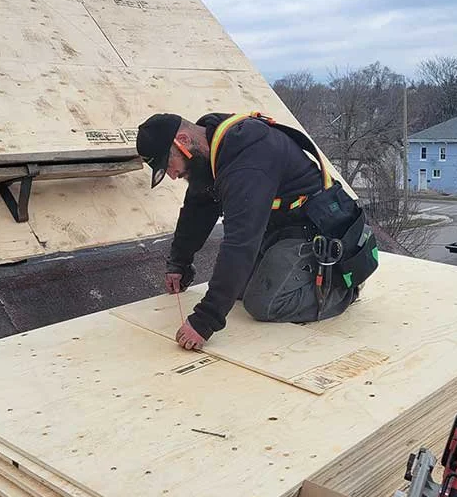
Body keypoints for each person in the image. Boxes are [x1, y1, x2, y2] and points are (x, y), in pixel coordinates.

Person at [135, 111, 379, 350]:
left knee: (262, 303)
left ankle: (341, 289)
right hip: (280, 227)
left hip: (314, 228)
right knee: (238, 289)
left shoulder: (247, 161)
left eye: (169, 165)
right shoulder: (213, 148)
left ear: (184, 141)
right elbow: (198, 207)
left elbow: (240, 245)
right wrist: (180, 262)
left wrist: (205, 321)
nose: (173, 176)